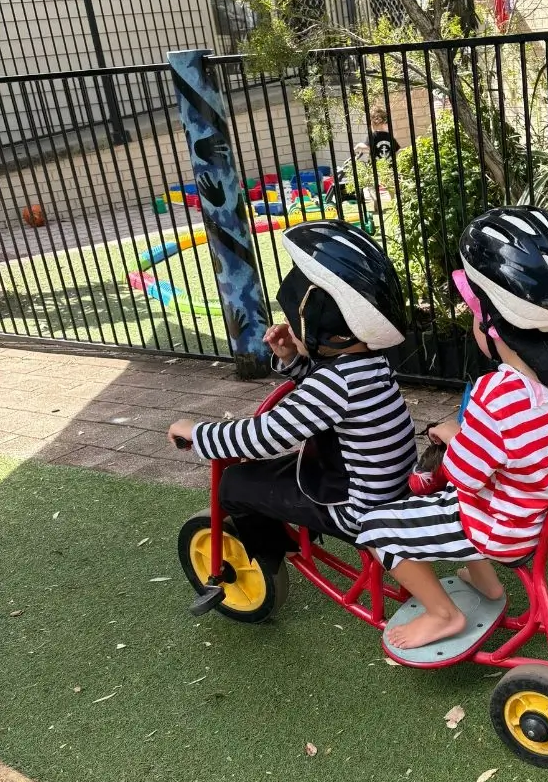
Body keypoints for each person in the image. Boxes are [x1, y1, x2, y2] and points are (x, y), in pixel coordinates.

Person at [356, 207, 548, 650]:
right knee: (458, 500)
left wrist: (453, 435)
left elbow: (464, 477)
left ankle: (443, 614)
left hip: (502, 528)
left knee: (375, 527)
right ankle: (485, 584)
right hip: (544, 510)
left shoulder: (498, 395)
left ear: (491, 325)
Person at [167, 221, 417, 563]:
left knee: (235, 482)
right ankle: (295, 531)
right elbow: (328, 401)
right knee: (284, 469)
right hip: (387, 488)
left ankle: (271, 555)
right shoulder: (370, 362)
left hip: (355, 508)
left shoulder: (335, 383)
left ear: (320, 328)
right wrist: (292, 359)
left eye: (294, 321)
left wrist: (197, 433)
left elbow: (266, 436)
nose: (287, 327)